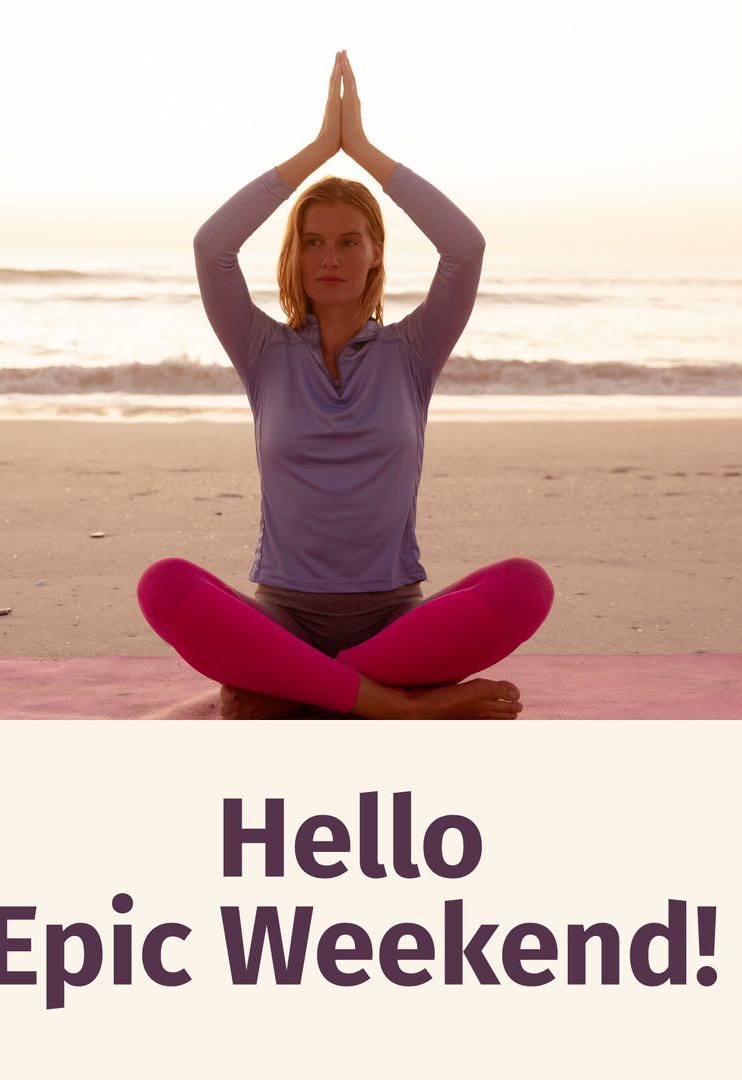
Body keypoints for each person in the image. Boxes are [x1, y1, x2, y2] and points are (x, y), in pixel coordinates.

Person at [137, 50, 554, 718]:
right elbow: (212, 248)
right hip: (283, 617)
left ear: (376, 253)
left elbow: (465, 248)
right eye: (312, 242)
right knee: (164, 585)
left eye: (349, 241)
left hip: (394, 622)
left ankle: (303, 686)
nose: (329, 257)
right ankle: (401, 703)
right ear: (294, 255)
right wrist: (316, 151)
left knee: (526, 586)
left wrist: (359, 149)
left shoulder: (414, 350)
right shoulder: (262, 351)